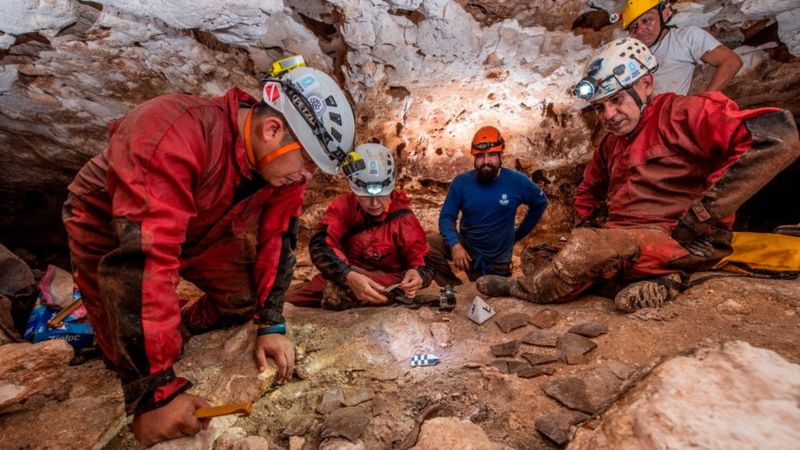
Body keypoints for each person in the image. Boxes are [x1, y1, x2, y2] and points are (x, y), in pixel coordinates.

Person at [62, 56, 356, 446]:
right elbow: (144, 258)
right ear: (272, 129)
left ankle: (174, 329)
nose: (307, 176)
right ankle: (153, 352)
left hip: (202, 223)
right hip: (112, 225)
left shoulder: (281, 174)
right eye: (308, 162)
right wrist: (155, 395)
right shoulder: (172, 129)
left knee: (242, 301)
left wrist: (270, 322)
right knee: (126, 352)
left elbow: (278, 239)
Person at [477, 37, 799, 311]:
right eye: (600, 107)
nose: (608, 115)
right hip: (626, 239)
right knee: (540, 253)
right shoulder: (611, 144)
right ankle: (642, 279)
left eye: (615, 100)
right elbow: (589, 186)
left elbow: (777, 140)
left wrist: (700, 215)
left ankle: (524, 289)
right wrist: (585, 224)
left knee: (586, 251)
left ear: (646, 84)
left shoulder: (685, 112)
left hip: (679, 238)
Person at [288, 144, 432, 309]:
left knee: (337, 294)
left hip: (386, 281)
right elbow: (321, 246)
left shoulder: (403, 218)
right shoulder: (342, 207)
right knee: (291, 302)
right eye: (366, 196)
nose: (374, 203)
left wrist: (418, 274)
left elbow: (422, 258)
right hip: (345, 273)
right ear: (354, 189)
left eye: (381, 195)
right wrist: (347, 274)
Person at [426, 126, 548, 286]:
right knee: (425, 245)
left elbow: (540, 203)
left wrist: (517, 235)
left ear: (501, 155)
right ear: (474, 158)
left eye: (491, 155)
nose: (486, 161)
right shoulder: (462, 182)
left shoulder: (516, 181)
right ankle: (453, 288)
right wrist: (454, 244)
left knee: (485, 296)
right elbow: (447, 217)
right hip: (467, 251)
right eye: (480, 156)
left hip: (495, 263)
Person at [621, 0, 742, 95]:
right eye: (634, 27)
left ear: (665, 13)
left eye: (647, 20)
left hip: (669, 118)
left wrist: (704, 101)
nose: (640, 30)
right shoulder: (630, 55)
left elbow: (731, 61)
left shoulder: (686, 37)